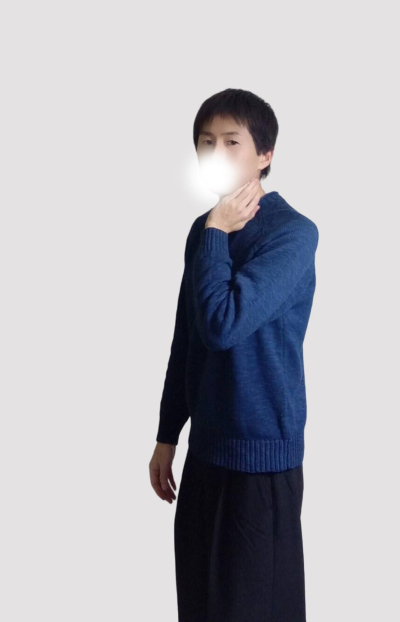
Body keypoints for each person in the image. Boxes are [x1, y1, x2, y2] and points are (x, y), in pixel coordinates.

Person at [149, 88, 319, 622]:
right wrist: (167, 434)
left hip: (260, 462)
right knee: (200, 607)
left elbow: (224, 325)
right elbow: (188, 337)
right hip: (206, 453)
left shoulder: (293, 234)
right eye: (206, 143)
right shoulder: (204, 231)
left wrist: (219, 231)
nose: (216, 154)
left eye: (231, 142)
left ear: (265, 154)